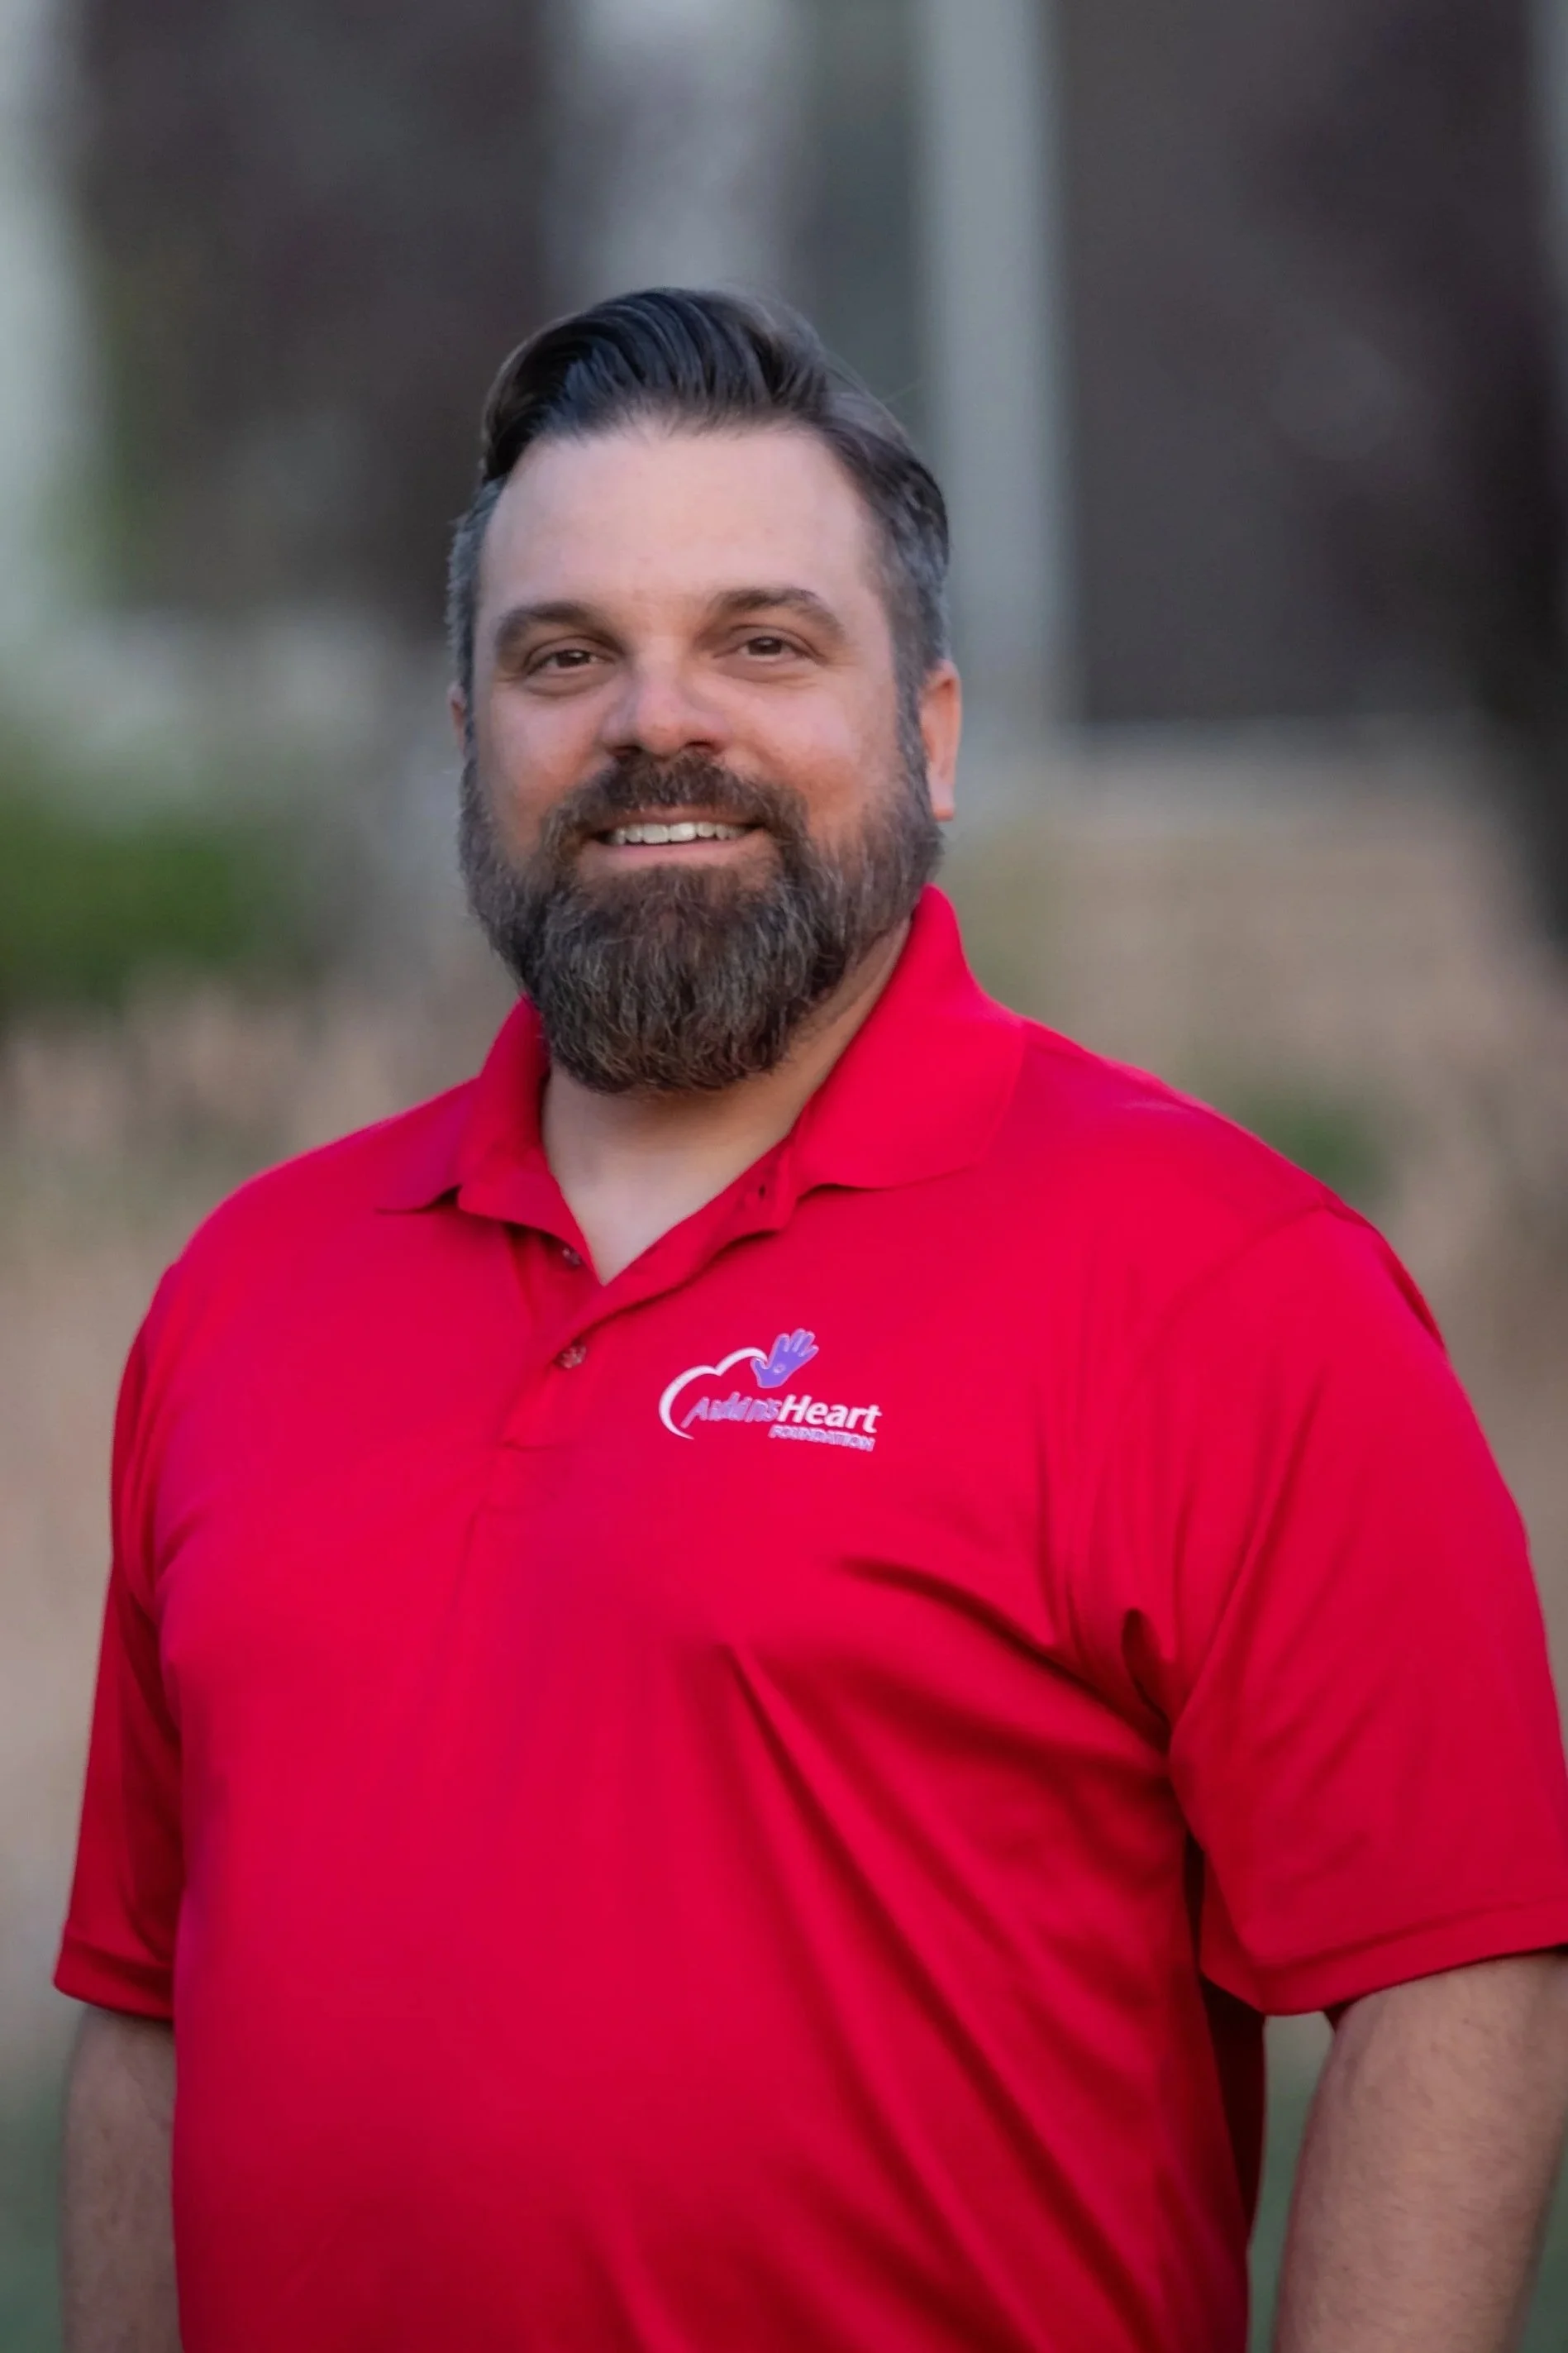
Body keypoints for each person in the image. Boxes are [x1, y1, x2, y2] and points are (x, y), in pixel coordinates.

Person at [57, 288, 1568, 2353]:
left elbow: (1454, 1972)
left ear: (933, 733)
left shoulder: (1224, 1284)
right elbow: (144, 2009)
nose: (653, 723)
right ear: (469, 742)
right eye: (562, 657)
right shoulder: (246, 1290)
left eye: (763, 643)